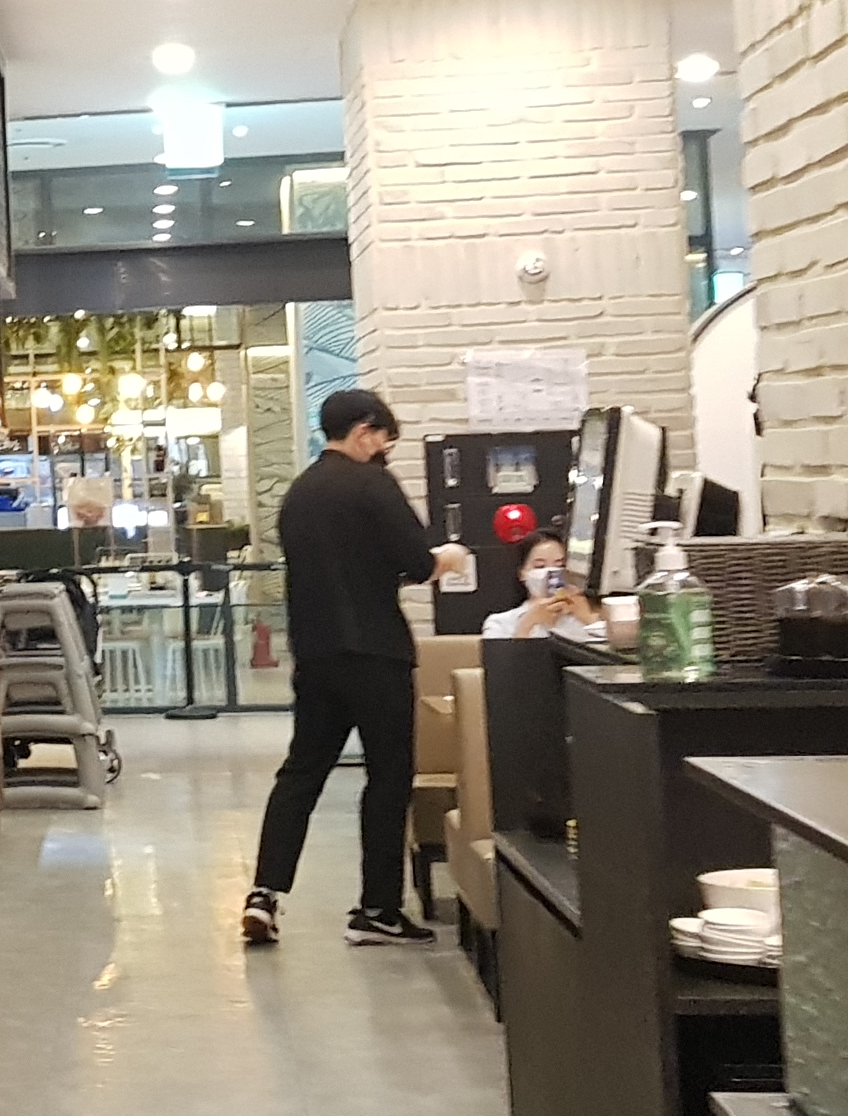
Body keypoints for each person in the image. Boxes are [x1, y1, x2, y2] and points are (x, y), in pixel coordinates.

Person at [243, 390, 469, 947]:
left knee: (301, 773)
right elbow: (416, 561)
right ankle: (378, 910)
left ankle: (264, 894)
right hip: (376, 654)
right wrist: (449, 559)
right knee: (388, 779)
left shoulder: (299, 494)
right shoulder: (373, 484)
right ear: (365, 431)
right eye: (384, 439)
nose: (385, 451)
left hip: (316, 654)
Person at [481, 534, 606, 642]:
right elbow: (500, 661)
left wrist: (588, 618)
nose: (551, 572)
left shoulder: (590, 619)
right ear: (522, 573)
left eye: (560, 565)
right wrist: (528, 623)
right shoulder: (500, 623)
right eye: (540, 566)